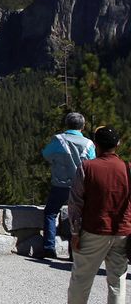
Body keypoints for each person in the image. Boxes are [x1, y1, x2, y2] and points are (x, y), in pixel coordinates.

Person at [67, 126, 129, 304]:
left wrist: (75, 233)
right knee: (117, 282)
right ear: (118, 144)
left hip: (94, 229)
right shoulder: (128, 168)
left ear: (95, 145)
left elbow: (76, 203)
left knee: (81, 279)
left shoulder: (87, 167)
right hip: (122, 232)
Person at [40, 112, 96, 259]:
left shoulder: (59, 140)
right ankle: (74, 252)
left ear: (67, 124)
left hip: (60, 184)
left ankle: (49, 248)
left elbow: (46, 154)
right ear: (82, 126)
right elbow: (93, 164)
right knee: (78, 217)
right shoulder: (88, 144)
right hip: (81, 187)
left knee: (50, 213)